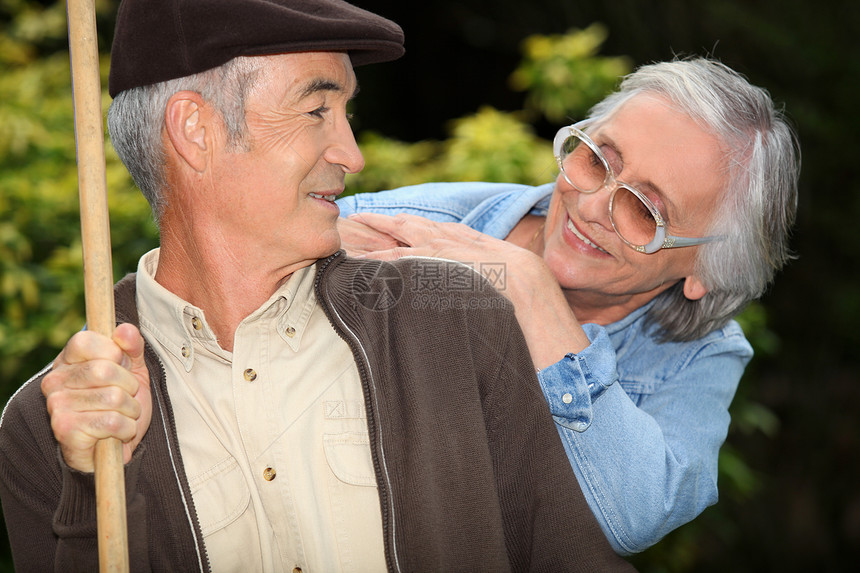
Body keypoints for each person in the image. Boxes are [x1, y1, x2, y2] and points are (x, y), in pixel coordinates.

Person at [0, 1, 635, 572]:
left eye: (346, 113)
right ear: (195, 130)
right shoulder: (49, 430)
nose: (352, 155)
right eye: (317, 111)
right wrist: (88, 488)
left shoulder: (456, 319)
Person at [337, 57, 800, 555]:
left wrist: (537, 298)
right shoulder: (414, 224)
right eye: (598, 161)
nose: (591, 206)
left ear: (705, 270)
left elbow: (632, 519)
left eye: (646, 211)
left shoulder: (698, 354)